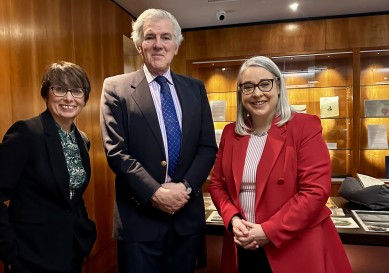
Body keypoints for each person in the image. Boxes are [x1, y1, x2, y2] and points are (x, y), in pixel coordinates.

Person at [208, 56, 352, 273]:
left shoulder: (305, 127)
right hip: (242, 242)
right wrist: (233, 219)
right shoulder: (231, 133)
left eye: (265, 84)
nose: (257, 93)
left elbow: (315, 191)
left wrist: (268, 231)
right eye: (248, 87)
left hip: (292, 245)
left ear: (278, 86)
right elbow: (217, 185)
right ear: (241, 93)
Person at [100, 8, 217, 273]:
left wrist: (185, 188)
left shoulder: (195, 89)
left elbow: (207, 147)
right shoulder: (116, 88)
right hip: (138, 221)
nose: (158, 44)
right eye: (150, 37)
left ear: (176, 45)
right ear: (139, 45)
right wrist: (154, 192)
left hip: (185, 220)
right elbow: (117, 152)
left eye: (166, 37)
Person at [0, 61, 97, 273]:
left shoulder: (82, 139)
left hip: (71, 250)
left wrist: (83, 229)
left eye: (77, 91)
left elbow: (72, 197)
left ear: (85, 98)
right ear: (46, 94)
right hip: (31, 256)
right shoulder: (26, 133)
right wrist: (9, 254)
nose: (69, 98)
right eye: (60, 89)